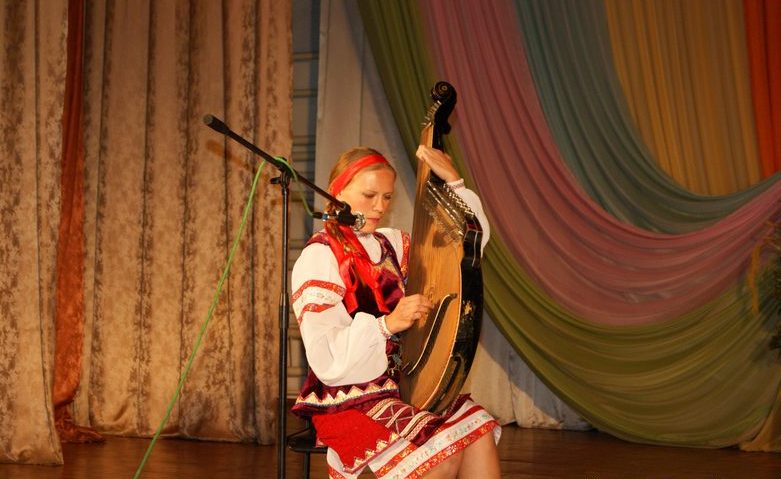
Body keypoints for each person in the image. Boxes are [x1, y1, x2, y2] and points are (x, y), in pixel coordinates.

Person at [291, 145, 501, 478]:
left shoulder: (392, 244)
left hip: (400, 385)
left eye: (387, 197)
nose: (379, 207)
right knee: (442, 456)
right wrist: (386, 325)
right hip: (348, 397)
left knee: (479, 433)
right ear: (337, 191)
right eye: (369, 195)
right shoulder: (321, 256)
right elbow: (326, 357)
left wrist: (455, 183)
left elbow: (464, 249)